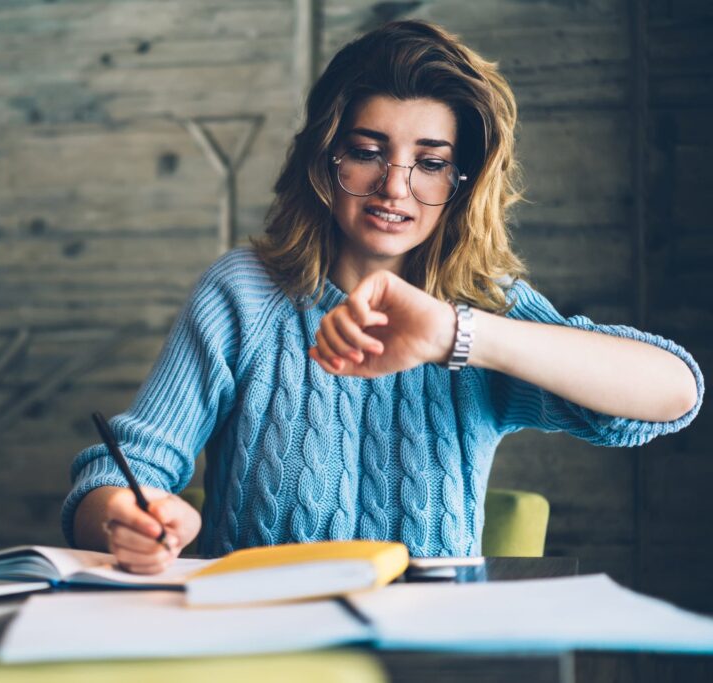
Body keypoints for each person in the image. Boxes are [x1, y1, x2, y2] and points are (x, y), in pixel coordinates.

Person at [62, 20, 703, 573]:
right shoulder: (243, 294)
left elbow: (674, 394)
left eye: (428, 163)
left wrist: (460, 334)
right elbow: (120, 473)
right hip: (266, 646)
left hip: (432, 653)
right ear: (323, 159)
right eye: (368, 152)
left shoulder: (481, 304)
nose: (394, 188)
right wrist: (127, 516)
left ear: (462, 180)